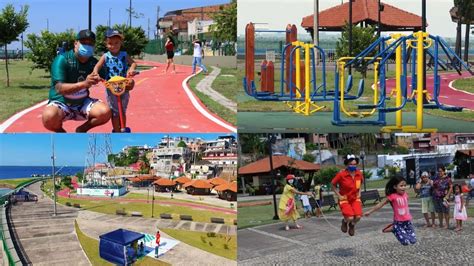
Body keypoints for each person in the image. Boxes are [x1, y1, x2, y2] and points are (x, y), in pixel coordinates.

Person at [42, 29, 111, 132]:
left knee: (105, 112)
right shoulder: (63, 59)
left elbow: (110, 79)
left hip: (82, 102)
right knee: (49, 117)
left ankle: (81, 130)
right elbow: (59, 88)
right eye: (83, 42)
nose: (87, 46)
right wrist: (85, 84)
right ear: (76, 43)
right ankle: (62, 134)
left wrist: (126, 83)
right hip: (62, 102)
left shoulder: (94, 63)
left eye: (90, 43)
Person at [92, 29, 136, 132]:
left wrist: (131, 69)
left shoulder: (124, 55)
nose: (114, 46)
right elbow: (97, 66)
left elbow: (133, 63)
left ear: (121, 43)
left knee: (123, 110)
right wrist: (95, 73)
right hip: (111, 87)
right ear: (106, 44)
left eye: (116, 43)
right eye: (110, 43)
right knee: (114, 111)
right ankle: (116, 130)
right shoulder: (106, 56)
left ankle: (123, 128)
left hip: (123, 86)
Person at [364, 176, 416, 245]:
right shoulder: (392, 196)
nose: (403, 187)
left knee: (413, 240)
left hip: (408, 221)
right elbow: (380, 204)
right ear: (395, 187)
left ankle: (393, 228)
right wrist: (370, 211)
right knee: (405, 242)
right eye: (401, 186)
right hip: (399, 222)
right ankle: (394, 228)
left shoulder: (406, 195)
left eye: (405, 185)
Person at [331, 154, 364, 236]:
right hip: (344, 198)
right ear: (347, 164)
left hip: (355, 198)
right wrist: (338, 195)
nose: (353, 166)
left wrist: (359, 192)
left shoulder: (359, 173)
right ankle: (345, 222)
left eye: (354, 164)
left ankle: (352, 225)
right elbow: (332, 184)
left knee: (358, 216)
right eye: (351, 164)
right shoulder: (341, 174)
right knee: (350, 217)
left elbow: (360, 184)